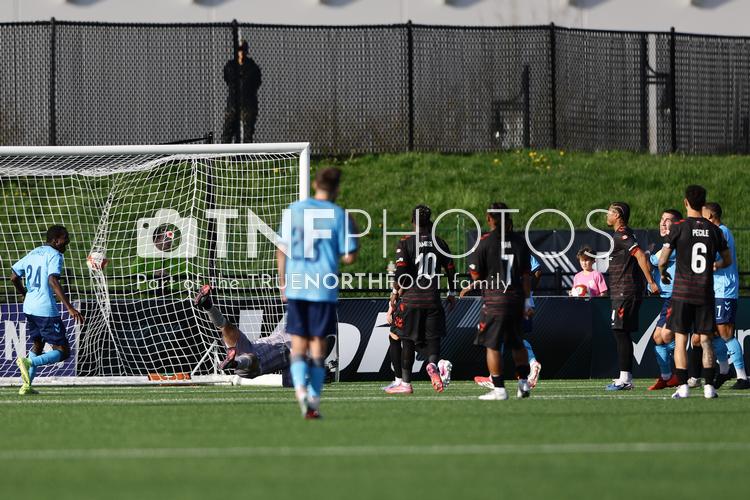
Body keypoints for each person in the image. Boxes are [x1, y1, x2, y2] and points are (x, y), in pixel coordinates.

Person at [276, 167, 358, 418]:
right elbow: (349, 257)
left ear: (315, 184)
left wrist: (283, 283)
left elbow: (281, 249)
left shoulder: (294, 210)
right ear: (337, 189)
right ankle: (314, 397)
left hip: (298, 284)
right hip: (323, 286)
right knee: (318, 347)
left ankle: (300, 391)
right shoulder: (339, 215)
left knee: (298, 345)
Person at [659, 185, 732, 399]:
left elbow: (662, 260)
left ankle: (683, 387)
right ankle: (709, 387)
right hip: (705, 293)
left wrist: (662, 273)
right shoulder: (714, 230)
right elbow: (727, 260)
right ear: (703, 203)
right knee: (706, 340)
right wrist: (715, 265)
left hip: (682, 293)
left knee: (681, 339)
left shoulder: (679, 227)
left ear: (686, 202)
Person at [461, 202, 534, 400]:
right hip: (516, 298)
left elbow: (476, 274)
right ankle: (523, 383)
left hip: (494, 299)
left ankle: (499, 389)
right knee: (517, 342)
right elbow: (526, 276)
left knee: (492, 345)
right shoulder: (520, 242)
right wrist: (527, 302)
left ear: (489, 218)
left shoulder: (485, 242)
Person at [386, 205, 457, 394]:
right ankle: (436, 364)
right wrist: (452, 293)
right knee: (433, 341)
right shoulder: (440, 243)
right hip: (433, 299)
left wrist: (395, 293)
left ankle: (405, 383)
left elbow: (401, 274)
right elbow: (451, 269)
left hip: (412, 299)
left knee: (407, 340)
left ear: (413, 221)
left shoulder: (406, 242)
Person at [11, 226, 84, 395]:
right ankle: (29, 362)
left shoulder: (34, 252)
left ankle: (26, 386)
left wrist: (25, 293)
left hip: (29, 307)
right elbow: (52, 280)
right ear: (56, 240)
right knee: (63, 351)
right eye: (65, 238)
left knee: (38, 345)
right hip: (45, 309)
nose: (68, 241)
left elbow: (13, 276)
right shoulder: (55, 255)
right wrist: (70, 307)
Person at [605, 202, 660, 391]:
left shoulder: (622, 235)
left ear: (618, 216)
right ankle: (625, 377)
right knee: (622, 332)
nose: (607, 214)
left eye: (610, 211)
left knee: (620, 332)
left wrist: (651, 282)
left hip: (625, 291)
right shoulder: (624, 233)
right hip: (624, 291)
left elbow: (641, 256)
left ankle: (625, 379)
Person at [193, 284, 294, 384]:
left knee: (252, 358)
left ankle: (235, 363)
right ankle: (208, 305)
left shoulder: (298, 353)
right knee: (229, 328)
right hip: (252, 346)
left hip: (257, 363)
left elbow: (290, 381)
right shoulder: (292, 329)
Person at [702, 202, 748, 390]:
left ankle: (742, 377)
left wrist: (709, 264)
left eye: (703, 215)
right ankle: (724, 370)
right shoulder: (716, 232)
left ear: (710, 216)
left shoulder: (722, 232)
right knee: (713, 332)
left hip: (724, 289)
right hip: (714, 289)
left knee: (726, 332)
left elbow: (718, 259)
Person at [384, 290, 452, 391]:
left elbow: (402, 284)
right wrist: (452, 293)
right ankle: (437, 363)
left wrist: (392, 304)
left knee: (398, 337)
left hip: (411, 302)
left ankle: (400, 381)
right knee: (419, 340)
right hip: (432, 302)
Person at [647, 209, 681, 391]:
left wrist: (643, 256)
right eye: (661, 219)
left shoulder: (676, 241)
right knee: (658, 338)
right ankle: (666, 377)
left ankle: (682, 374)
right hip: (668, 297)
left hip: (678, 296)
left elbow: (655, 260)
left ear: (676, 224)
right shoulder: (668, 242)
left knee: (667, 335)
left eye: (668, 220)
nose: (663, 223)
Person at [221, 39, 262, 143]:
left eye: (243, 50)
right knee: (228, 131)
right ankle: (225, 152)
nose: (241, 52)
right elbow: (227, 79)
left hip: (248, 103)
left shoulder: (252, 67)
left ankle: (245, 152)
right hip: (233, 103)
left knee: (248, 133)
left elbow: (257, 82)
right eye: (239, 50)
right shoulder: (230, 66)